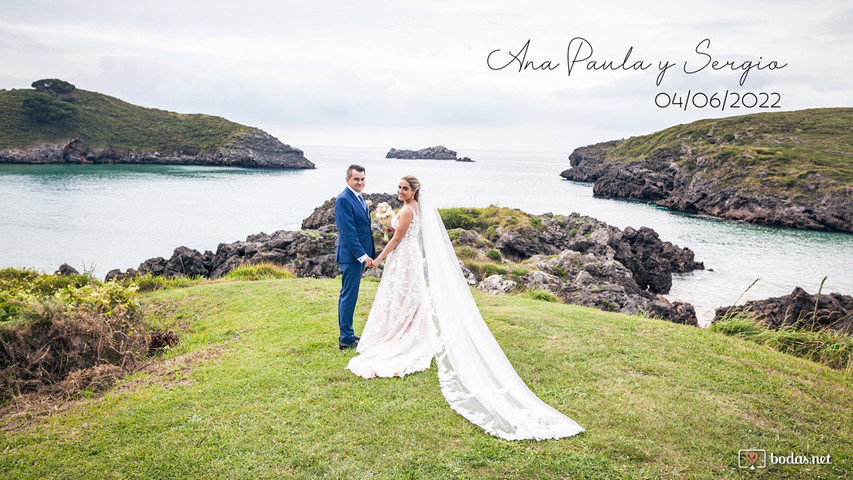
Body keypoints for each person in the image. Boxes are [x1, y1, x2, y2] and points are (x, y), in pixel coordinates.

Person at [347, 175, 585, 441]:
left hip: (402, 259)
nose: (400, 191)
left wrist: (378, 258)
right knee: (408, 298)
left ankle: (402, 333)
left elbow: (396, 240)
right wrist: (388, 227)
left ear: (414, 191)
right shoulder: (416, 208)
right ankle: (407, 327)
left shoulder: (405, 210)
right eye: (399, 188)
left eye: (405, 188)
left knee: (401, 297)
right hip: (410, 257)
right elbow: (401, 232)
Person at [334, 164, 376, 350]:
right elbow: (348, 233)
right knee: (348, 296)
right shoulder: (343, 200)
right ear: (347, 180)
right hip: (350, 257)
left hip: (357, 256)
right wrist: (363, 256)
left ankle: (348, 332)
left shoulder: (359, 198)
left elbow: (363, 228)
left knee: (351, 295)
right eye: (356, 179)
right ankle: (346, 339)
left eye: (362, 179)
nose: (360, 182)